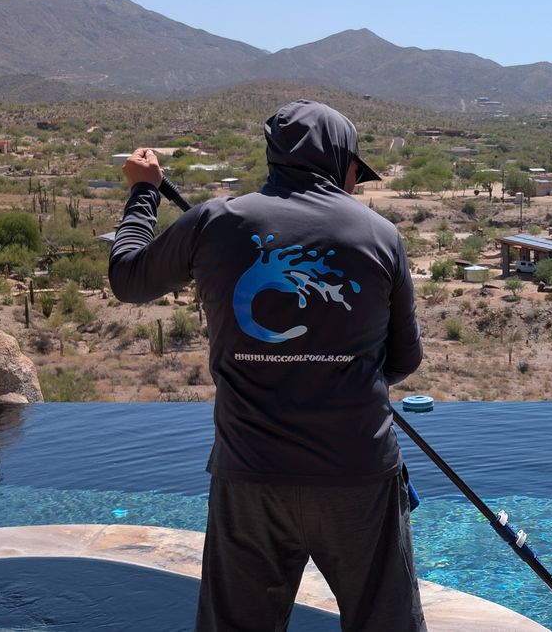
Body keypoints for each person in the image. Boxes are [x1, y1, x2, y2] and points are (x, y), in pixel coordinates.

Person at [109, 100, 425, 631]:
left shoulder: (215, 220)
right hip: (358, 477)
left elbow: (128, 278)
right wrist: (333, 369)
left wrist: (144, 191)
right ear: (341, 161)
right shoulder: (380, 235)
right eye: (356, 171)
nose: (356, 183)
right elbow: (404, 358)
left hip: (249, 479)